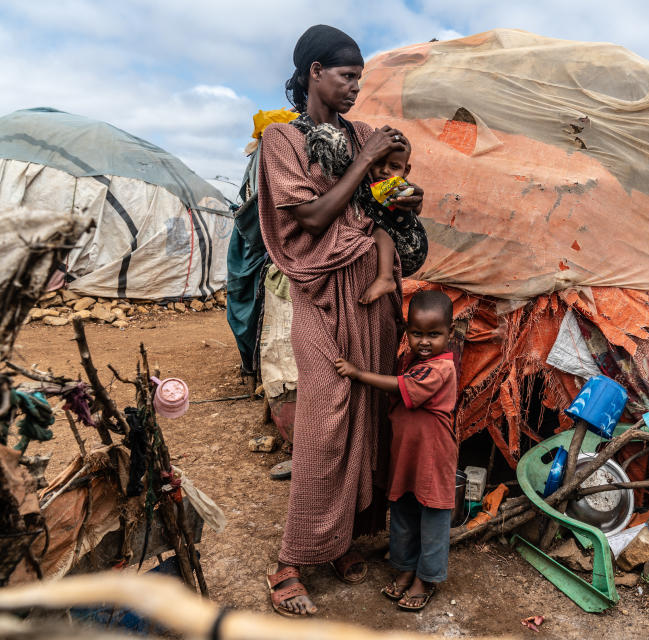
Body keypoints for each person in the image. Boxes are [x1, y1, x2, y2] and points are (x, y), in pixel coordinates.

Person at [259, 25, 424, 617]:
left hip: (371, 292)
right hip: (323, 292)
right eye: (345, 75)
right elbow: (312, 216)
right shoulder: (283, 140)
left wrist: (401, 196)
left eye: (358, 77)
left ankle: (339, 542)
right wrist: (366, 161)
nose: (355, 86)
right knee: (326, 420)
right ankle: (290, 562)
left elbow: (376, 200)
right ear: (313, 73)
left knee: (367, 417)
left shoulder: (359, 135)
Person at [334, 290, 458, 612]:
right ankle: (405, 569)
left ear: (450, 334)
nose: (425, 342)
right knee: (402, 511)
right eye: (417, 333)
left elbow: (404, 388)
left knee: (432, 517)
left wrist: (359, 373)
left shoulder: (441, 368)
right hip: (406, 455)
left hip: (432, 457)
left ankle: (426, 578)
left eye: (434, 334)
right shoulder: (412, 361)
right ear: (407, 331)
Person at [359, 142, 413, 305]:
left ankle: (385, 278)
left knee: (380, 230)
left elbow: (414, 201)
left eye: (394, 166)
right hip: (399, 250)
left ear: (406, 170)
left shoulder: (396, 186)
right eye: (379, 163)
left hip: (407, 244)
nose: (385, 170)